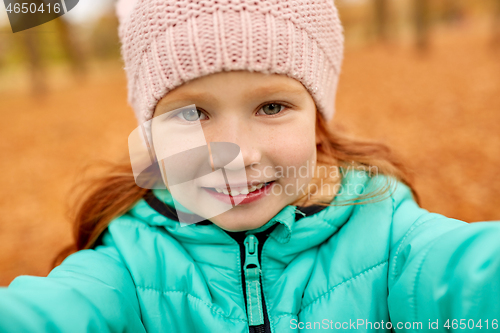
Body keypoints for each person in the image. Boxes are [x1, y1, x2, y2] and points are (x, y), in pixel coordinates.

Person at [1, 0, 500, 332]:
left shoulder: (389, 235)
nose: (238, 155)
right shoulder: (127, 264)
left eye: (271, 108)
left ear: (318, 120)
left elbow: (471, 277)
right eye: (193, 113)